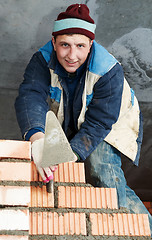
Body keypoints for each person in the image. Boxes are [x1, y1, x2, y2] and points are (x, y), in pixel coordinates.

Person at [15, 3, 152, 234]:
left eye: (80, 46)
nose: (72, 55)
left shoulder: (109, 69)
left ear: (91, 44)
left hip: (111, 123)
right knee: (49, 163)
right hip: (72, 118)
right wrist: (37, 139)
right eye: (64, 45)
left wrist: (71, 156)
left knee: (102, 171)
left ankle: (135, 230)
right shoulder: (41, 60)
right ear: (53, 41)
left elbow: (99, 123)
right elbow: (31, 96)